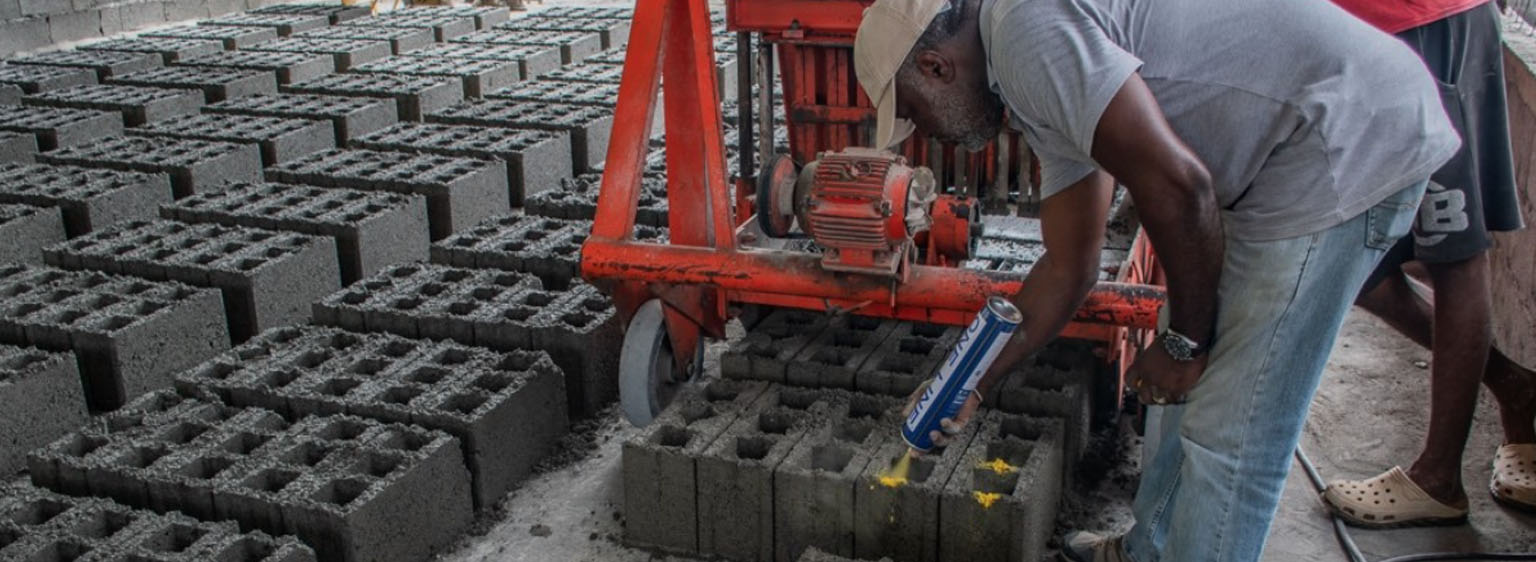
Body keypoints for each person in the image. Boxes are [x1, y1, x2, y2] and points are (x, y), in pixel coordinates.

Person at [851, 0, 1460, 560]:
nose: (925, 135)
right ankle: (1149, 551)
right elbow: (1070, 264)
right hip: (1281, 153)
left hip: (1339, 139)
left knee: (1232, 436)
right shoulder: (1022, 72)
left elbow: (1180, 186)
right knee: (1174, 400)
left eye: (913, 114)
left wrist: (1186, 344)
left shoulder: (1025, 33)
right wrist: (974, 383)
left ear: (935, 67)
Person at [1319, 0, 1536, 526]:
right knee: (1349, 259)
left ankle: (1439, 479)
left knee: (1453, 248)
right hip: (1376, 27)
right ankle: (1513, 385)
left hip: (1421, 24)